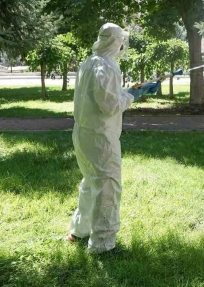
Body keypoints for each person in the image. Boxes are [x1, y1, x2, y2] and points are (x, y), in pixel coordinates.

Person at [67, 22, 139, 254]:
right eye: (121, 41)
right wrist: (132, 96)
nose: (122, 46)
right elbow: (109, 106)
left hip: (84, 134)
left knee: (90, 182)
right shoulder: (107, 66)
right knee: (107, 186)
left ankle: (80, 230)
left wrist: (127, 92)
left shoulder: (90, 62)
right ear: (115, 42)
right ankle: (103, 245)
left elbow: (103, 95)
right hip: (101, 137)